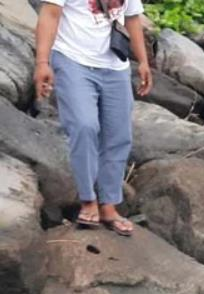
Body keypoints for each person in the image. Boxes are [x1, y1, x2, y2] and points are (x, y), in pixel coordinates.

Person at [34, 0, 152, 236]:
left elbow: (132, 19)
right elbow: (50, 14)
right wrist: (42, 63)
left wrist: (143, 62)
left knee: (118, 136)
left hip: (115, 66)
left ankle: (108, 205)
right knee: (84, 126)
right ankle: (88, 200)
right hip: (71, 59)